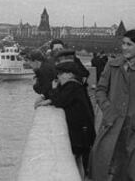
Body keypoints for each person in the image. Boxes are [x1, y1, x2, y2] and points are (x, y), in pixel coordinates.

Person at [89, 29, 135, 181]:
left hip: (132, 127)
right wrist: (108, 110)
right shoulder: (112, 65)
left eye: (129, 44)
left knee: (128, 167)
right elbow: (100, 90)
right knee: (101, 160)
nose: (124, 47)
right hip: (112, 122)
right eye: (123, 43)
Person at [35, 61, 96, 176]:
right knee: (80, 160)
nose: (58, 76)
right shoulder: (75, 85)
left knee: (79, 161)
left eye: (60, 73)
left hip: (81, 131)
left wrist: (53, 90)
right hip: (84, 129)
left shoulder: (72, 85)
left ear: (70, 74)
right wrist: (48, 98)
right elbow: (62, 97)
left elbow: (60, 101)